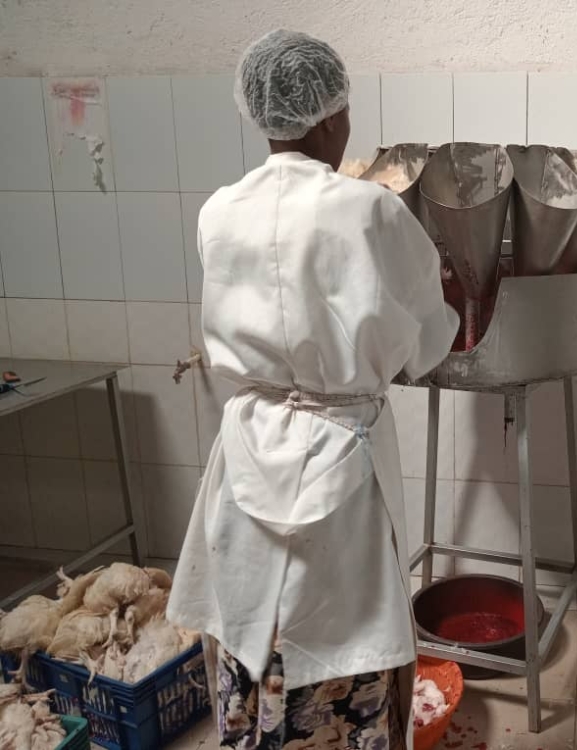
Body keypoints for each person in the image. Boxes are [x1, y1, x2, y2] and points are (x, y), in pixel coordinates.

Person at [166, 29, 459, 750]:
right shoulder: (370, 211)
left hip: (249, 440)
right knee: (341, 632)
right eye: (347, 111)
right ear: (330, 118)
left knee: (251, 620)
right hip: (337, 448)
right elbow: (423, 342)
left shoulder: (219, 210)